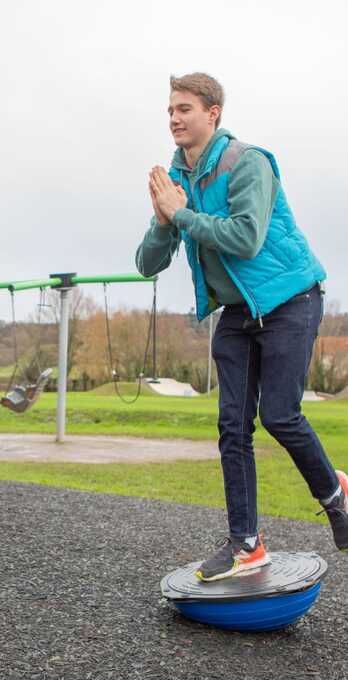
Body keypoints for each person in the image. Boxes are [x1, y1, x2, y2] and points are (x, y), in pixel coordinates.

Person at [135, 72, 348, 582]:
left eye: (184, 108)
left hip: (289, 300)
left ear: (213, 113)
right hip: (236, 314)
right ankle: (246, 544)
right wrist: (165, 221)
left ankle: (336, 494)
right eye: (169, 110)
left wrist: (183, 215)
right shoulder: (176, 177)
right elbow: (147, 263)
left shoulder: (248, 163)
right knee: (233, 427)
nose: (174, 118)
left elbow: (247, 238)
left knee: (279, 413)